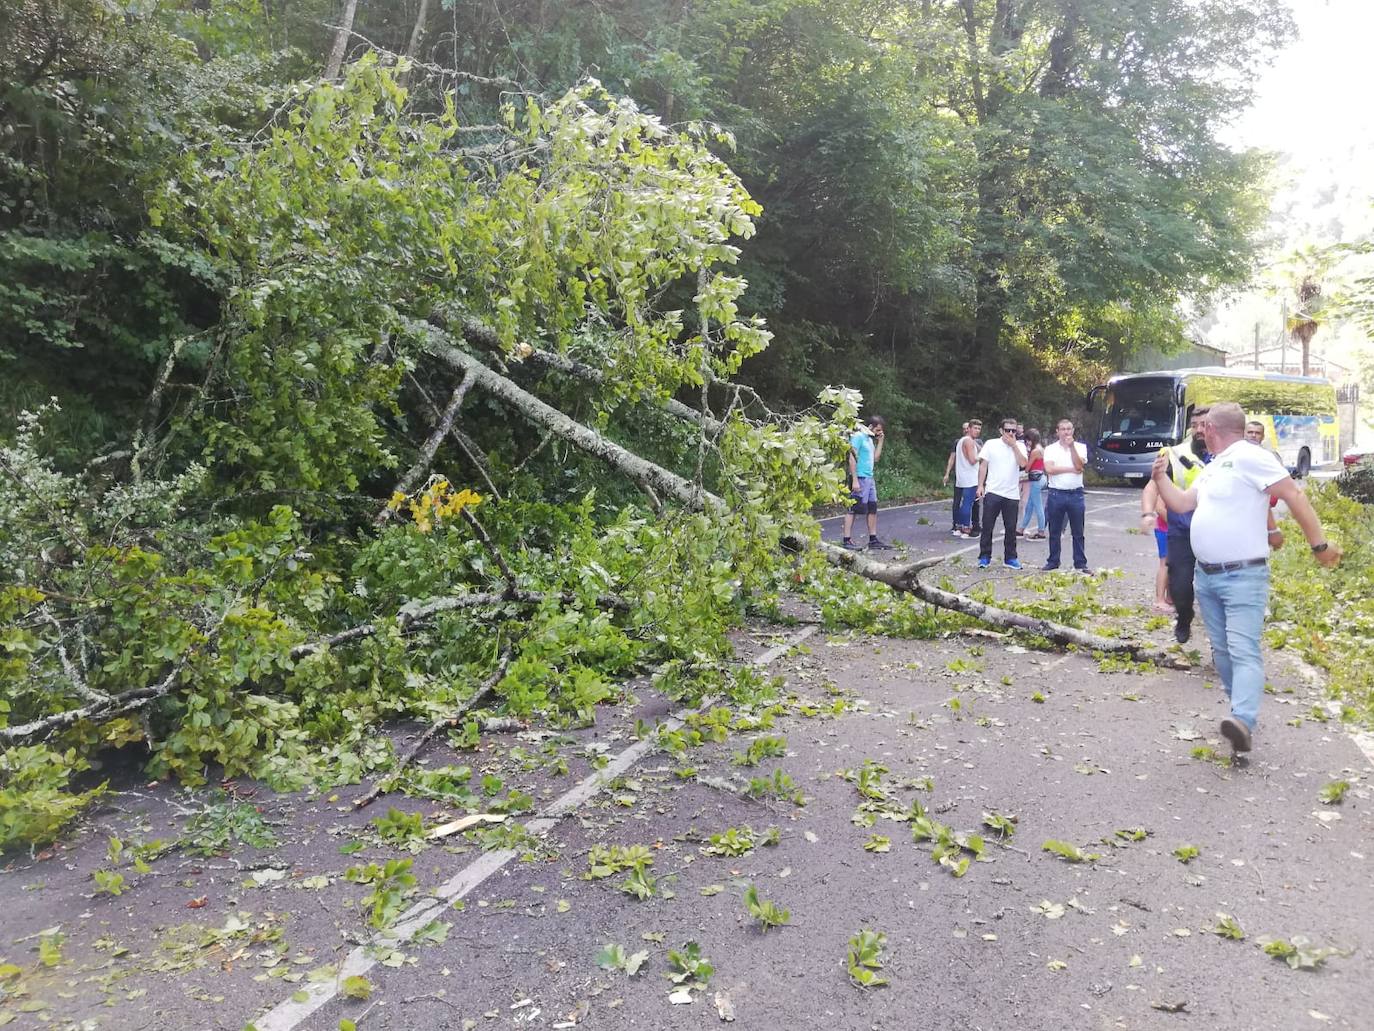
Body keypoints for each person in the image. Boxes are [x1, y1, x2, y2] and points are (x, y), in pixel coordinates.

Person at [1151, 402, 1342, 754]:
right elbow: (1182, 503)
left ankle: (1242, 719)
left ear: (1212, 428)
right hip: (1207, 577)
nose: (1200, 431)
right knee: (1223, 652)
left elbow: (1293, 494)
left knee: (1242, 649)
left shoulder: (1252, 456)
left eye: (1204, 426)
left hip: (1243, 575)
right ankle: (1240, 713)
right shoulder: (1214, 467)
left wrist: (1319, 545)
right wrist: (1160, 478)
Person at [1160, 408, 1210, 642]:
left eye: (1204, 424)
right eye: (1195, 425)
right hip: (1182, 529)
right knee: (1179, 584)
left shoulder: (1227, 456)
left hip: (1214, 531)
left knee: (1214, 585)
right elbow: (1155, 486)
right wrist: (1151, 512)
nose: (1199, 430)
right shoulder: (1175, 454)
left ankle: (1219, 637)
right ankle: (1184, 615)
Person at [976, 417, 1028, 568]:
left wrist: (1014, 446)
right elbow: (983, 465)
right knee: (987, 526)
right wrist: (980, 485)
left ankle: (1010, 557)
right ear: (1001, 430)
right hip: (993, 490)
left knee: (1011, 528)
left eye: (1014, 431)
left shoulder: (1020, 446)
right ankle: (984, 556)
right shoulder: (991, 444)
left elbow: (1023, 463)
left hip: (1012, 493)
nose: (1011, 433)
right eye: (1007, 430)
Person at [1041, 419, 1089, 572]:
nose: (1066, 432)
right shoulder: (1050, 449)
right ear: (1057, 432)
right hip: (1056, 493)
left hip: (1076, 494)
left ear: (1073, 431)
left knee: (1078, 531)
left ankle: (1080, 563)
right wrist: (1071, 469)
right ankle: (1053, 561)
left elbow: (1079, 466)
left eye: (1069, 429)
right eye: (1063, 429)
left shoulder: (1080, 447)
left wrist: (1072, 447)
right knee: (1054, 530)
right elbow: (1049, 469)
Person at [843, 415, 893, 550]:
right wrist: (854, 480)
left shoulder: (869, 440)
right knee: (853, 508)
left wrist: (880, 442)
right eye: (877, 430)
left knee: (872, 508)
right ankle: (846, 539)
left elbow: (875, 458)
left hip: (869, 478)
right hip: (859, 477)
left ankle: (873, 539)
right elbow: (851, 458)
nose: (879, 433)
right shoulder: (858, 437)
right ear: (870, 426)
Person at [1139, 479, 1172, 612]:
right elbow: (1159, 508)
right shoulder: (1165, 481)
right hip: (1165, 529)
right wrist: (1178, 522)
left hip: (1174, 528)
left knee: (1175, 565)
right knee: (1165, 563)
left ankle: (1170, 597)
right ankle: (1160, 599)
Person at [951, 420, 982, 538]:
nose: (977, 431)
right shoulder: (968, 441)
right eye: (975, 428)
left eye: (979, 429)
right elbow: (972, 460)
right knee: (968, 504)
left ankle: (959, 527)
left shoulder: (962, 441)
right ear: (968, 428)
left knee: (963, 503)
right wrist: (982, 456)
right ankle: (966, 528)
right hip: (970, 477)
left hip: (962, 476)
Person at [1017, 428, 1047, 538]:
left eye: (1028, 440)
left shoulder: (1035, 451)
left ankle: (1041, 531)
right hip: (1041, 477)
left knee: (1038, 506)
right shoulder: (1041, 449)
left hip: (1035, 479)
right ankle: (1021, 529)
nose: (1027, 442)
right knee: (1030, 505)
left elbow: (1027, 467)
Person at [944, 422, 969, 531]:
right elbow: (952, 458)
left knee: (971, 501)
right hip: (959, 476)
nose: (966, 430)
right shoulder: (957, 442)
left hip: (971, 477)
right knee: (957, 500)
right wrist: (947, 473)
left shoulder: (976, 442)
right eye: (964, 429)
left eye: (967, 428)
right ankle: (956, 523)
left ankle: (972, 524)